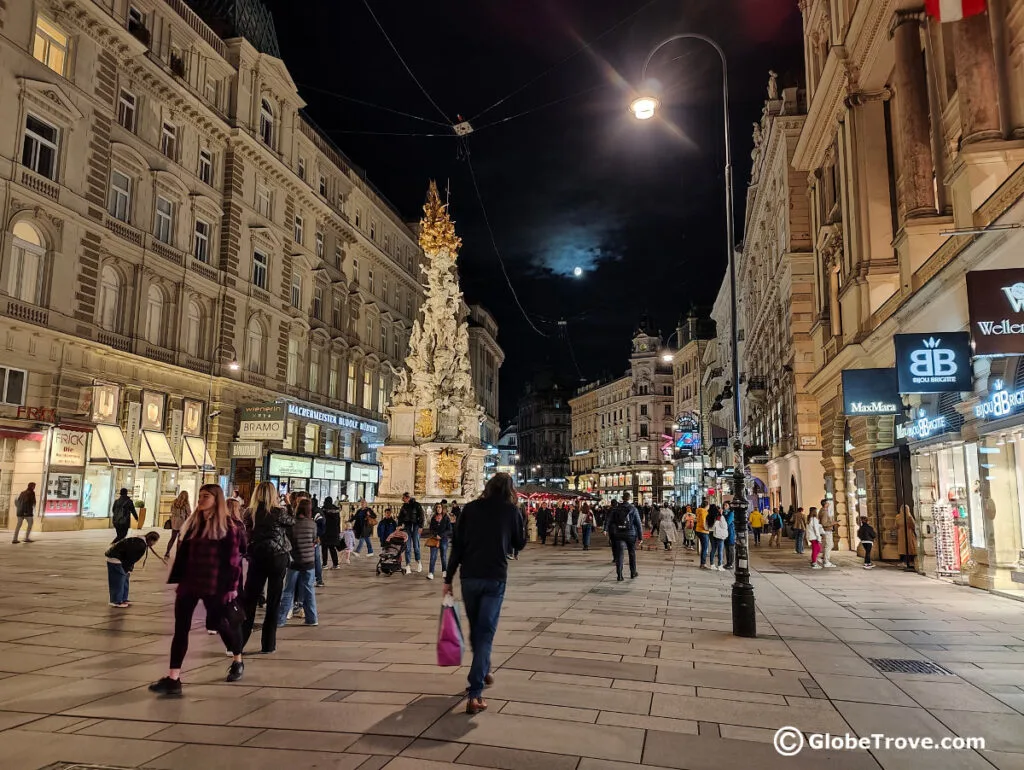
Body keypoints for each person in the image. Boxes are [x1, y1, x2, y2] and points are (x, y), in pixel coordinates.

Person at [149, 484, 245, 695]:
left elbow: (233, 560)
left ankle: (237, 658)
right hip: (189, 584)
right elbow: (183, 554)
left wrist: (232, 586)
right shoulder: (192, 524)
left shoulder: (228, 527)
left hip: (214, 585)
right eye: (200, 495)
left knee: (219, 623)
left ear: (216, 499)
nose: (201, 499)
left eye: (206, 496)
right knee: (180, 630)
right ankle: (174, 678)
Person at [444, 473, 526, 715]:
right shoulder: (511, 511)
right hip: (494, 577)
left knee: (477, 630)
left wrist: (448, 579)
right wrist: (517, 516)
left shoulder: (470, 509)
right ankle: (475, 692)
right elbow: (519, 543)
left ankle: (484, 666)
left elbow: (457, 545)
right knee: (485, 632)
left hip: (469, 577)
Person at [241, 481, 294, 655]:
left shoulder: (249, 513)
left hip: (257, 556)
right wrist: (289, 503)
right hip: (278, 558)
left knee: (249, 600)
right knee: (273, 600)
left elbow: (246, 533)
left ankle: (239, 642)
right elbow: (292, 522)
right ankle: (268, 644)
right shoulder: (279, 512)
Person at [278, 499, 319, 627]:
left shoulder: (293, 524)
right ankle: (312, 618)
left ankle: (281, 619)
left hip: (295, 561)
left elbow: (289, 541)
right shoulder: (312, 524)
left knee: (288, 590)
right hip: (309, 561)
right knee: (309, 590)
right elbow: (314, 539)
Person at [105, 531, 161, 607]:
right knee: (118, 580)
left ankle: (123, 598)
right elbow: (130, 558)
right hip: (115, 558)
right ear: (152, 540)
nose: (154, 544)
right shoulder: (140, 545)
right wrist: (127, 569)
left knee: (124, 579)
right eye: (155, 542)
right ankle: (116, 601)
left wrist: (127, 569)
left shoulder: (139, 541)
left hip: (119, 558)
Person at [608, 493, 643, 581]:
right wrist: (640, 537)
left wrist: (610, 532)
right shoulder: (633, 509)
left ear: (622, 498)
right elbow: (638, 524)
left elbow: (610, 521)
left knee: (619, 554)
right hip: (631, 534)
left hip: (618, 534)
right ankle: (633, 572)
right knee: (632, 553)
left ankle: (619, 575)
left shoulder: (616, 508)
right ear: (629, 498)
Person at [398, 492, 425, 573]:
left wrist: (421, 526)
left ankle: (419, 562)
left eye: (403, 498)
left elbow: (421, 516)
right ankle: (408, 565)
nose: (402, 499)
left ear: (407, 498)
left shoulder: (417, 505)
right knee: (407, 547)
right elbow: (400, 517)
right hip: (407, 527)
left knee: (416, 546)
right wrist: (399, 525)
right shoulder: (404, 506)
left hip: (416, 526)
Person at [426, 503, 453, 580]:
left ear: (442, 508)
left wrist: (441, 535)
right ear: (435, 509)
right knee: (433, 556)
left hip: (443, 539)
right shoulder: (433, 518)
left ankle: (444, 571)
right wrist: (435, 535)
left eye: (440, 507)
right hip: (434, 539)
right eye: (437, 507)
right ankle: (431, 573)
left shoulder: (446, 518)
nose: (438, 508)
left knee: (443, 556)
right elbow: (430, 529)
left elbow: (449, 529)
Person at [165, 491, 191, 557]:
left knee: (172, 538)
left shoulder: (174, 502)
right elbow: (189, 512)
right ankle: (178, 554)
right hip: (182, 523)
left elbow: (171, 510)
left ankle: (167, 552)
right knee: (180, 539)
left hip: (174, 522)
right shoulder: (186, 503)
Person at [321, 496, 341, 569]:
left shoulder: (323, 509)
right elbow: (338, 522)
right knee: (332, 548)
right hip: (334, 532)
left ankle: (325, 564)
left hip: (325, 532)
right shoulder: (336, 510)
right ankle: (336, 564)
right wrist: (338, 532)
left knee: (324, 549)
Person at [895, 504, 917, 570]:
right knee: (909, 548)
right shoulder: (909, 517)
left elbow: (895, 526)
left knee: (902, 548)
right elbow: (913, 525)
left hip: (901, 534)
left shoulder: (898, 517)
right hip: (909, 534)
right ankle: (910, 562)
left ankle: (903, 562)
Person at [817, 499, 836, 568]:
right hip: (827, 530)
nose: (829, 504)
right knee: (829, 545)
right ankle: (826, 561)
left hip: (825, 530)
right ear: (825, 504)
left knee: (827, 545)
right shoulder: (824, 512)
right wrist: (833, 523)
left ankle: (824, 559)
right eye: (828, 503)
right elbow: (824, 523)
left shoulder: (821, 510)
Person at [709, 505, 727, 571]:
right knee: (720, 550)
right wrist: (721, 515)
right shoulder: (719, 516)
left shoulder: (709, 516)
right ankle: (720, 565)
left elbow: (706, 526)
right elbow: (724, 526)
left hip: (711, 533)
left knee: (713, 549)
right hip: (719, 534)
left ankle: (712, 564)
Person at [696, 501, 711, 568]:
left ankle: (703, 563)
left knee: (703, 547)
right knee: (705, 548)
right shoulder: (704, 512)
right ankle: (703, 563)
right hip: (703, 531)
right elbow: (703, 522)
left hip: (698, 530)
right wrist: (707, 529)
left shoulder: (699, 511)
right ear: (707, 506)